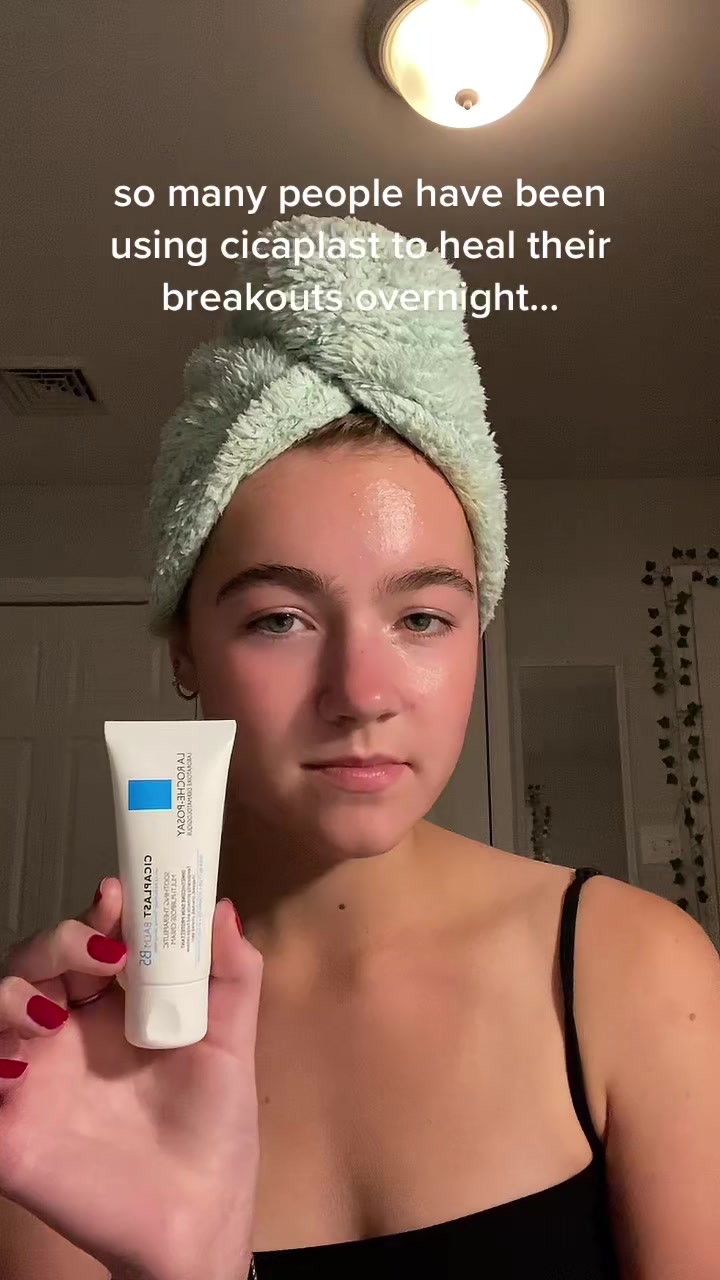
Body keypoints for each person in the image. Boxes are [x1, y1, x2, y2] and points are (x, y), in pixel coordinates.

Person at [1, 216, 719, 1280]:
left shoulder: (634, 969)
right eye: (279, 620)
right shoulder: (80, 1054)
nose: (363, 694)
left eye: (423, 617)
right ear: (185, 651)